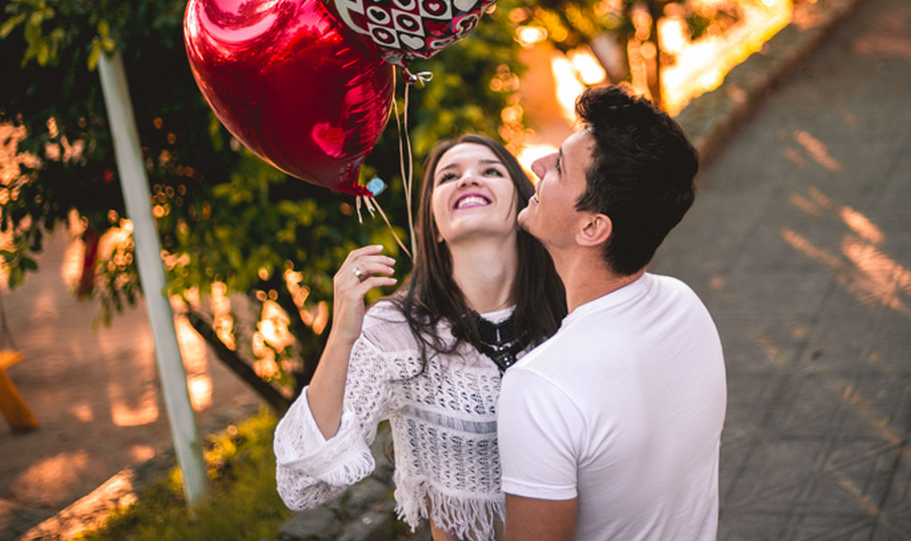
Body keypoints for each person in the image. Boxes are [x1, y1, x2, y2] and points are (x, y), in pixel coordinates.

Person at [274, 134, 566, 541]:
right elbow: (301, 486)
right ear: (434, 225)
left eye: (490, 171)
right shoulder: (396, 330)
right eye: (449, 176)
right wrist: (341, 337)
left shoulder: (570, 306)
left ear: (523, 204)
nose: (467, 180)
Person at [497, 84, 727, 540]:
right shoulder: (686, 306)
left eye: (558, 168)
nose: (536, 165)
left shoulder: (539, 387)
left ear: (592, 227)